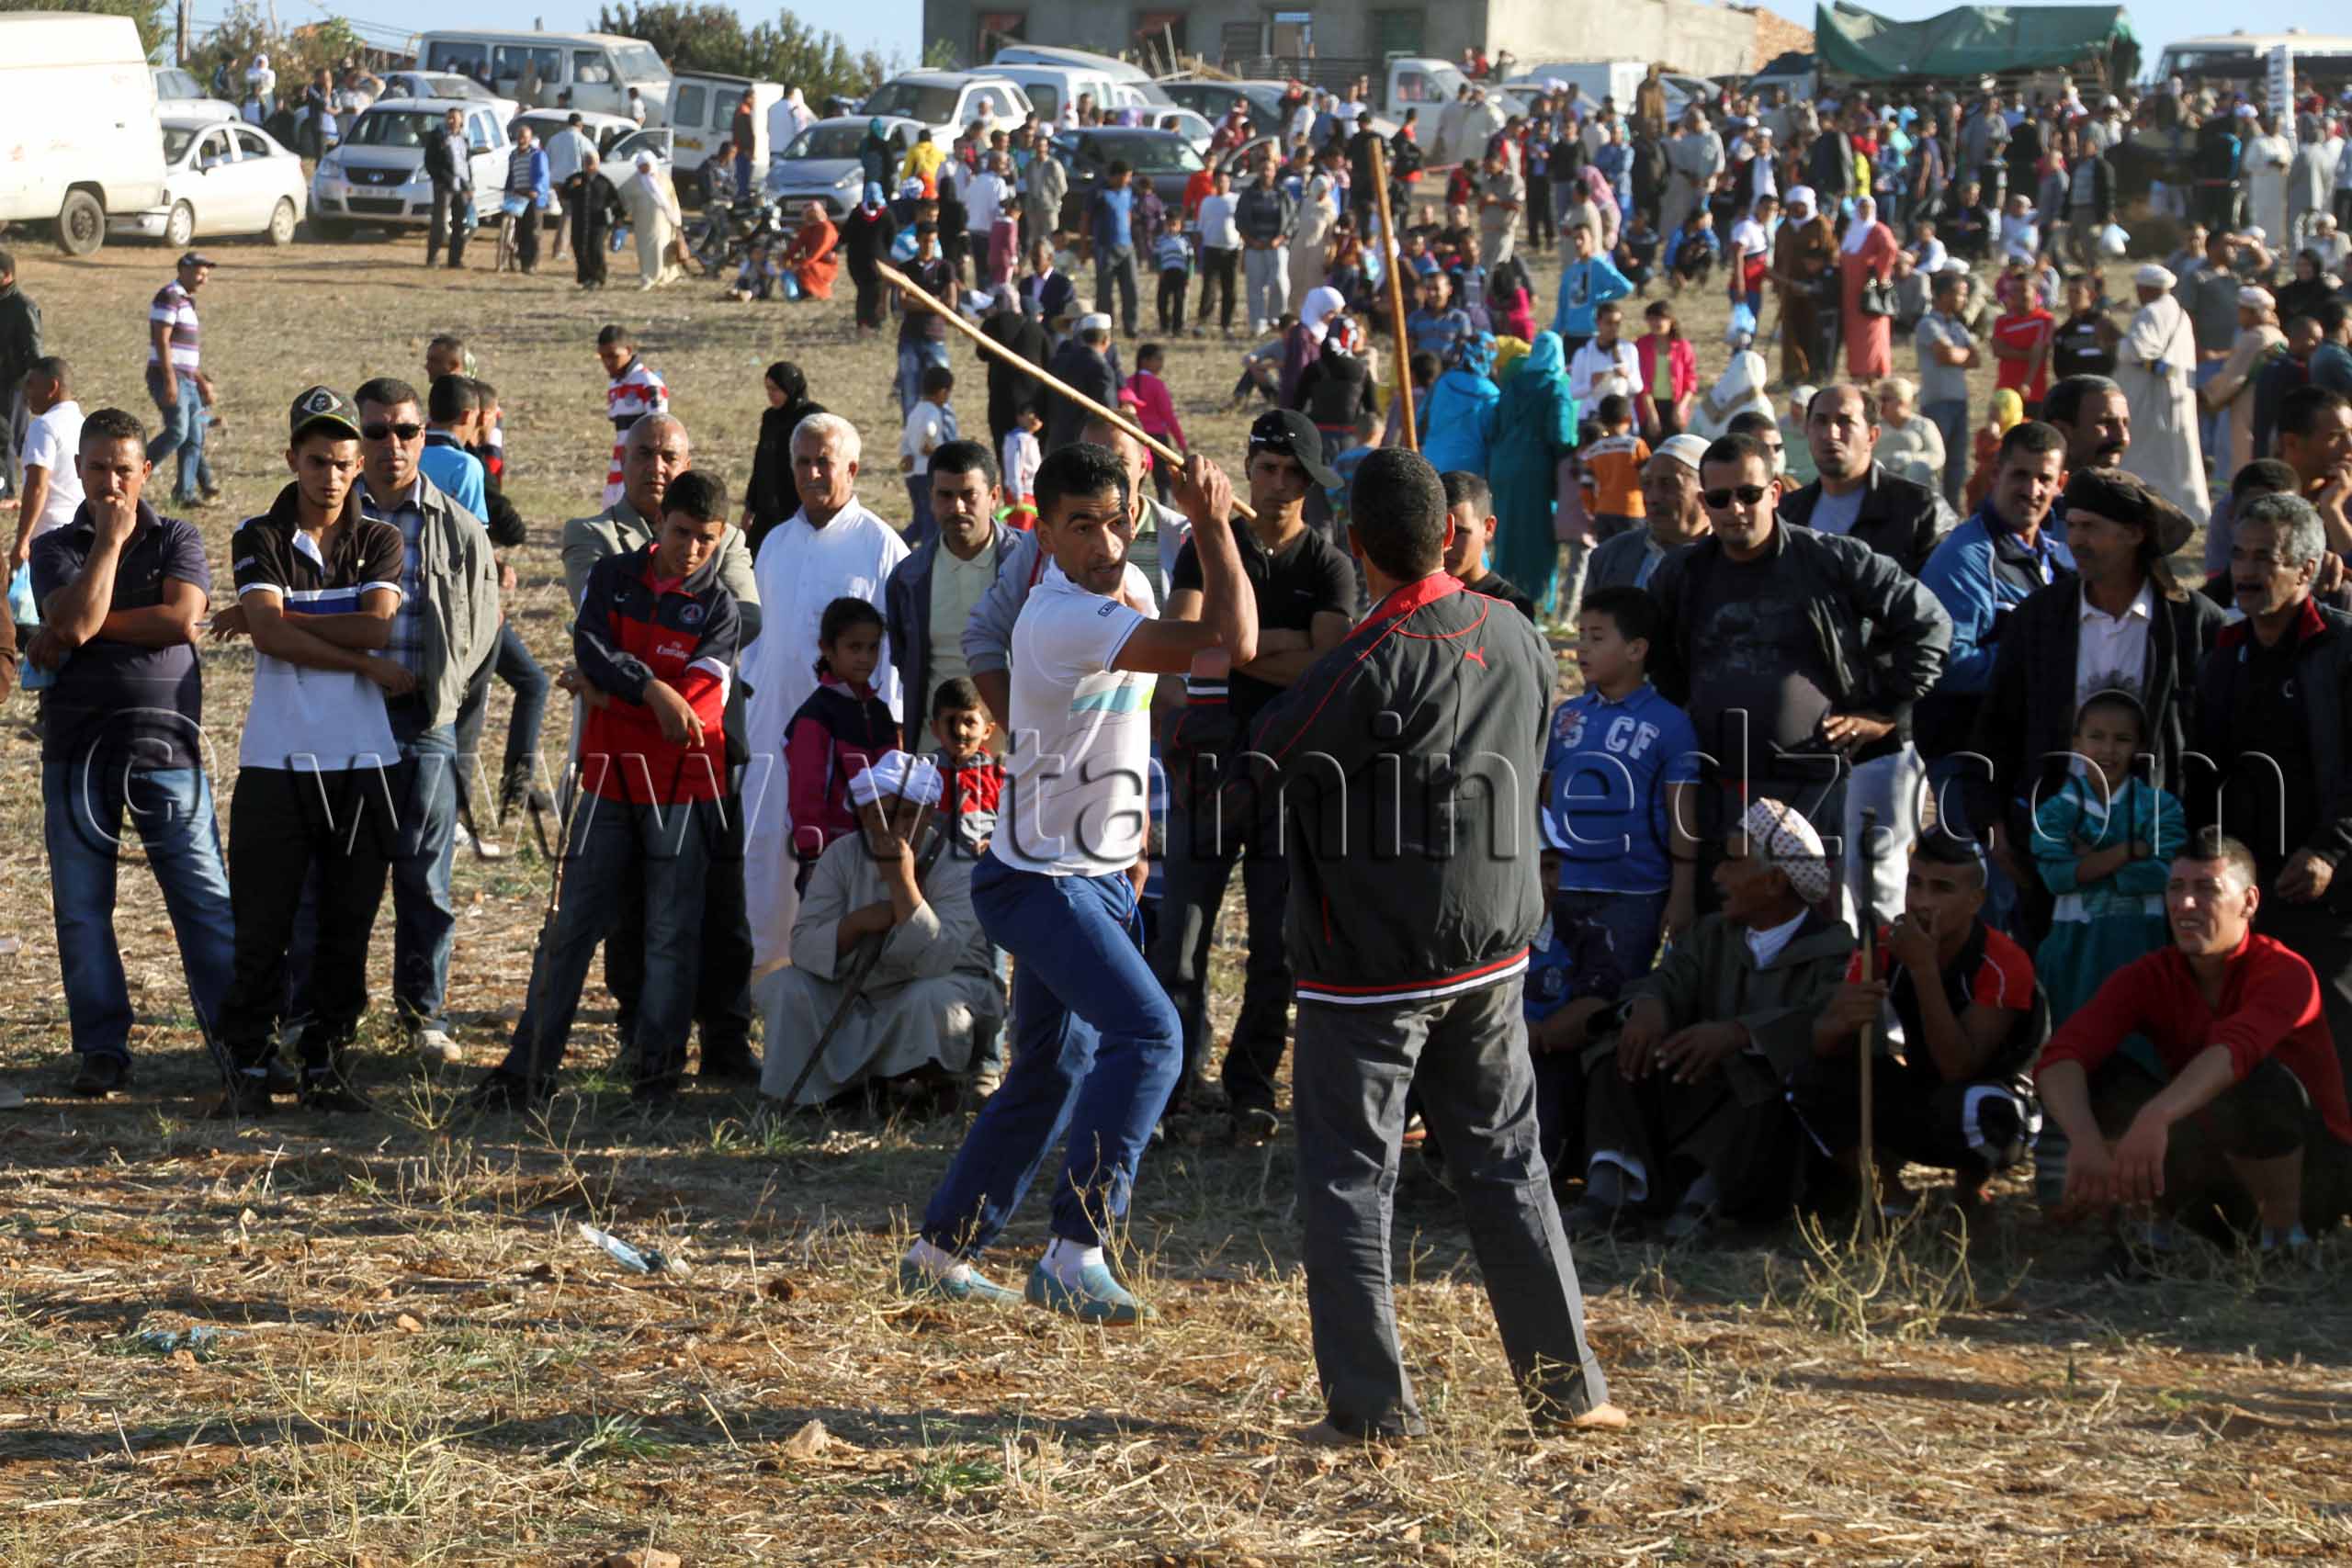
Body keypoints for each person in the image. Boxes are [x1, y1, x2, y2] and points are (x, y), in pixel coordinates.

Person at [1218, 446, 1621, 1438]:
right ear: (1450, 534)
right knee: (1507, 1167)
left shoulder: (1356, 664)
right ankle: (1570, 1396)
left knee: (1351, 1185)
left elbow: (1262, 765)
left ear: (1354, 548)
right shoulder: (1520, 632)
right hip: (1492, 952)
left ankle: (1368, 1412)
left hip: (1371, 968)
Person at [899, 445, 1254, 1324]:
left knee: (1054, 1068)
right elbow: (1236, 643)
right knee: (1152, 1036)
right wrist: (1211, 524)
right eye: (1080, 525)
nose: (1103, 540)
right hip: (1040, 880)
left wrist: (1129, 835)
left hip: (1095, 872)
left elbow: (1145, 705)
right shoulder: (1062, 616)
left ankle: (939, 1250)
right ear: (1045, 536)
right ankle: (1075, 1246)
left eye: (1116, 519)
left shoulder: (1125, 591)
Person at [474, 471, 743, 1111]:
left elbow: (694, 718)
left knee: (671, 934)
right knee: (570, 929)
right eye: (682, 533)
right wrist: (651, 687)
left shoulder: (721, 610)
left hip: (681, 791)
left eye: (708, 539)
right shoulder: (614, 579)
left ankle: (656, 1079)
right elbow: (589, 648)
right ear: (661, 525)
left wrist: (606, 695)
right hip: (606, 781)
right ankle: (528, 1069)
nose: (693, 550)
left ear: (724, 536)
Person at [209, 389, 413, 1118]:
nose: (331, 476)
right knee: (262, 923)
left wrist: (278, 615)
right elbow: (282, 638)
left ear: (359, 467)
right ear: (292, 457)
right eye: (318, 459)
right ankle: (252, 1064)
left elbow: (378, 628)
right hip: (277, 759)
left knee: (346, 924)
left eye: (344, 463)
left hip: (363, 762)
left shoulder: (380, 538)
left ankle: (325, 1059)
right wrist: (354, 655)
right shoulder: (256, 532)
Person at [1153, 411, 1352, 1134]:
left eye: (1292, 472)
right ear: (1246, 466)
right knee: (1181, 935)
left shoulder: (1327, 563)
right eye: (1265, 468)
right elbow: (1183, 646)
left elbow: (1329, 662)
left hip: (1288, 769)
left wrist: (1234, 642)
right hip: (1206, 762)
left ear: (1310, 481)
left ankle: (1252, 1087)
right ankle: (1171, 1082)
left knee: (1274, 940)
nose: (1275, 485)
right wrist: (1276, 645)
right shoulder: (1205, 544)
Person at [25, 408, 229, 1096]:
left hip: (166, 744)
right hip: (76, 750)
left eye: (124, 467)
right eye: (97, 467)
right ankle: (102, 1048)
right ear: (78, 471)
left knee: (201, 896)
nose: (111, 481)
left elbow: (181, 619)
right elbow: (74, 619)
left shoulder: (178, 535)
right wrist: (107, 548)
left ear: (147, 470)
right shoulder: (53, 546)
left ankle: (239, 1041)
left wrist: (80, 628)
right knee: (82, 906)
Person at [1645, 434, 1951, 883]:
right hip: (1715, 783)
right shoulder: (1680, 573)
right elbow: (1655, 653)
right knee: (1720, 918)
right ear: (1704, 502)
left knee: (1806, 919)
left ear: (1774, 494)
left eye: (1749, 495)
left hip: (1811, 785)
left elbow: (1929, 623)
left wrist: (1885, 710)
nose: (1735, 509)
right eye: (1719, 498)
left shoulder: (1830, 560)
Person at [2036, 831, 2352, 1258]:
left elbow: (2234, 1053)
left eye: (2207, 890)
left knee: (2253, 1082)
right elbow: (2062, 1055)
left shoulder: (2285, 972)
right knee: (2108, 1077)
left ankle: (2285, 1242)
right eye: (2176, 888)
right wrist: (2085, 1138)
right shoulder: (2150, 974)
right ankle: (2151, 1234)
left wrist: (2156, 1114)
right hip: (2216, 1171)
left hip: (2314, 1182)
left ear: (2249, 903)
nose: (2185, 905)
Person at [560, 413, 761, 1082]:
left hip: (704, 753)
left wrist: (624, 681)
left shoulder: (715, 530)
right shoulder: (595, 539)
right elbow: (591, 630)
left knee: (715, 907)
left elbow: (742, 616)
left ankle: (722, 1039)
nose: (657, 465)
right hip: (618, 760)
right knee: (627, 908)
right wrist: (652, 686)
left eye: (670, 453)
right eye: (644, 452)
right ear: (626, 458)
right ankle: (638, 1037)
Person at [1571, 796, 1856, 1239]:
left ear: (1775, 881)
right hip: (1697, 1091)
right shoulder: (1711, 934)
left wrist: (1739, 1034)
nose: (1718, 875)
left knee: (1767, 1089)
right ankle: (1611, 1193)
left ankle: (1707, 1203)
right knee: (1620, 1053)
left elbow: (1823, 1026)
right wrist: (1649, 1005)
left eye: (1733, 863)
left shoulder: (1836, 951)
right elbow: (1671, 977)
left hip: (1759, 1122)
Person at [1967, 468, 2223, 931]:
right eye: (2073, 526)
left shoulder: (2192, 625)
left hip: (2156, 848)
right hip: (2055, 844)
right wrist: (1993, 821)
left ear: (2133, 535)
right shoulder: (2041, 618)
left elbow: (2214, 737)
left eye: (2092, 528)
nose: (2076, 540)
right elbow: (1999, 723)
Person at [2190, 491, 2352, 1086]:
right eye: (2239, 555)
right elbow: (2204, 769)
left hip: (2326, 899)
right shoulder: (2222, 655)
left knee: (2333, 1056)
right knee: (2248, 1062)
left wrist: (2330, 851)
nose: (2248, 572)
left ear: (2307, 570)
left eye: (2266, 557)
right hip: (2242, 895)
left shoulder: (2341, 650)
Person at [1796, 831, 2044, 1213]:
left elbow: (1959, 1067)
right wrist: (1840, 1021)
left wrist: (1923, 970)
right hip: (1921, 1093)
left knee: (1977, 1107)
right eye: (1915, 883)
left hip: (1991, 1108)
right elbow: (1822, 1046)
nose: (1921, 902)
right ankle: (1889, 1195)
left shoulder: (2004, 960)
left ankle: (1970, 1193)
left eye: (1942, 889)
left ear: (1976, 901)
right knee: (1807, 1081)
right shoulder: (1882, 944)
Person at [741, 413, 907, 976]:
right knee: (767, 852)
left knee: (839, 860)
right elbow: (759, 648)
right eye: (802, 462)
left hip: (849, 746)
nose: (812, 473)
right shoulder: (774, 545)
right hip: (773, 731)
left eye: (824, 462)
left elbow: (892, 661)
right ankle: (767, 972)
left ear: (852, 469)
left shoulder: (882, 547)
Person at [759, 747, 1003, 1108]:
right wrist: (856, 924)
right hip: (854, 993)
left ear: (929, 814)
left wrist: (903, 886)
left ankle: (924, 1091)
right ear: (864, 814)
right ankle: (828, 1093)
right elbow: (804, 948)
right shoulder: (840, 856)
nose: (896, 828)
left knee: (933, 1000)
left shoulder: (957, 867)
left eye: (908, 815)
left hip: (927, 991)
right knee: (785, 985)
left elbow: (937, 960)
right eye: (883, 815)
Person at [1915, 420, 2073, 761]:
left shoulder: (2060, 556)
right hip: (1972, 761)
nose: (2031, 490)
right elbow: (1947, 665)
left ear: (2060, 483)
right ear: (1996, 472)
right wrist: (2041, 656)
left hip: (2031, 758)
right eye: (2020, 475)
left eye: (2044, 479)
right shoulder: (1967, 557)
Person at [2032, 689, 2185, 1027]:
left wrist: (2088, 866)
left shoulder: (2162, 807)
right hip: (2074, 949)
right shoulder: (2055, 811)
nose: (2108, 750)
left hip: (2140, 943)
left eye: (2122, 739)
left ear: (2141, 746)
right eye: (2096, 737)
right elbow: (2056, 878)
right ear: (2076, 742)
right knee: (2071, 1041)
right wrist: (2130, 850)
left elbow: (2165, 873)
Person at [885, 439, 1019, 728]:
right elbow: (904, 661)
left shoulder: (1031, 567)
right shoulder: (908, 580)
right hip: (934, 756)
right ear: (931, 498)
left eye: (969, 495)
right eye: (945, 495)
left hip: (1014, 755)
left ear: (994, 496)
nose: (957, 507)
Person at [783, 597, 899, 879]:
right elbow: (806, 792)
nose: (865, 658)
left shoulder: (882, 712)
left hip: (879, 854)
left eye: (873, 648)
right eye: (854, 647)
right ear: (827, 649)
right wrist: (813, 856)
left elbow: (895, 782)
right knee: (829, 925)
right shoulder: (815, 715)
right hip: (829, 859)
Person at [1483, 331, 1576, 612]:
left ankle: (1500, 592)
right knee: (1536, 538)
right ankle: (1533, 599)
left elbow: (1495, 426)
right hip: (1535, 470)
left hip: (1501, 465)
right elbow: (1559, 434)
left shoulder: (1513, 383)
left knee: (1506, 533)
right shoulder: (1556, 386)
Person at [2116, 264, 2211, 526]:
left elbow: (2134, 349)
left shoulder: (2150, 312)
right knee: (2178, 457)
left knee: (2144, 457)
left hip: (2151, 399)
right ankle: (2187, 508)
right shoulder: (2179, 313)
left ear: (2146, 289)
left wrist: (2114, 340)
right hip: (2176, 398)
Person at [1586, 434, 1711, 593]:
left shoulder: (1732, 560)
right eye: (1646, 484)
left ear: (1706, 492)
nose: (1652, 498)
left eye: (1667, 484)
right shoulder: (1608, 558)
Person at [145, 252, 218, 510]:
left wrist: (200, 380)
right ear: (182, 270)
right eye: (199, 273)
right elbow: (161, 340)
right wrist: (169, 380)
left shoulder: (187, 302)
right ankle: (136, 471)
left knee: (194, 435)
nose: (203, 280)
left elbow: (184, 352)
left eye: (206, 275)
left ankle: (184, 493)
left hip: (186, 376)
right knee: (177, 432)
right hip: (169, 375)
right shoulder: (169, 296)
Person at [2201, 287, 2285, 485]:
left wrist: (2205, 394)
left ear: (2251, 312)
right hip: (2269, 403)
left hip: (2248, 404)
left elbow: (2232, 377)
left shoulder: (2255, 337)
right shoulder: (2276, 333)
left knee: (2239, 456)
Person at [742, 362, 823, 560]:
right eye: (768, 389)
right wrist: (750, 506)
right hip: (768, 505)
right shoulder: (770, 418)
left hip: (797, 503)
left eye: (776, 389)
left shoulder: (812, 417)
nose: (771, 395)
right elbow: (761, 461)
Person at [10, 357, 83, 572]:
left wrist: (22, 540)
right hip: (81, 535)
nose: (26, 392)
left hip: (48, 539)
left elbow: (37, 486)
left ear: (52, 387)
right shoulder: (84, 424)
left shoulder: (44, 426)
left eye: (31, 384)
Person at [1913, 269, 1979, 507]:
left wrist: (1957, 354)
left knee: (1957, 464)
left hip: (1959, 401)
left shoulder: (1958, 327)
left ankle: (1952, 509)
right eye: (1959, 294)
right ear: (1943, 295)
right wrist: (1961, 354)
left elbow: (1977, 358)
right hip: (1937, 402)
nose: (1963, 299)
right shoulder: (1928, 324)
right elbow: (1945, 354)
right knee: (1936, 463)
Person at [1440, 470, 1536, 620]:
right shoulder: (1415, 597)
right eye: (1440, 531)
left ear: (1488, 528)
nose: (1447, 543)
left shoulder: (1511, 607)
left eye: (1459, 532)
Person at [1770, 186, 1838, 388]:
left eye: (1800, 206)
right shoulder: (1784, 228)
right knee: (1790, 330)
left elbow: (1831, 254)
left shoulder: (1820, 225)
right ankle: (1792, 372)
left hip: (1813, 290)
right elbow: (1778, 257)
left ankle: (1813, 371)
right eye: (1792, 206)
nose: (1796, 210)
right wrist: (1777, 281)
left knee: (1812, 329)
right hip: (1788, 288)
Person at [596, 324, 667, 510]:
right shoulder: (615, 385)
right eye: (603, 357)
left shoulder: (648, 384)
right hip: (620, 465)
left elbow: (659, 430)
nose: (608, 363)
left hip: (639, 468)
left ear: (628, 350)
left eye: (613, 356)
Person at [1419, 333, 1500, 486]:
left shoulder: (1443, 381)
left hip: (1432, 461)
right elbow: (1493, 438)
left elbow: (1421, 417)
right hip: (1469, 471)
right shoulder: (1491, 395)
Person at [897, 364, 957, 554]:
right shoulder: (932, 412)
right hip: (926, 472)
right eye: (947, 393)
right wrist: (930, 445)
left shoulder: (915, 411)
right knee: (931, 518)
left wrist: (907, 455)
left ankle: (900, 544)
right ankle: (928, 553)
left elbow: (906, 441)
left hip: (913, 472)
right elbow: (930, 430)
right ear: (941, 392)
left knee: (920, 517)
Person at [1838, 196, 1900, 379]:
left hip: (1869, 293)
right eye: (1861, 207)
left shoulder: (1878, 230)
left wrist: (1879, 275)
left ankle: (1874, 370)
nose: (1864, 211)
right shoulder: (1853, 230)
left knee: (1872, 332)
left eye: (1868, 207)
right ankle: (1857, 370)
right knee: (1855, 334)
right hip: (1850, 293)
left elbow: (1890, 249)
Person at [1551, 221, 1633, 355]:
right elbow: (1562, 308)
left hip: (1592, 335)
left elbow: (1625, 287)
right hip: (1570, 337)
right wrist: (1552, 336)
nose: (1578, 243)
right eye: (1575, 239)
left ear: (1592, 241)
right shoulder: (1569, 272)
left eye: (1582, 238)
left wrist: (1601, 298)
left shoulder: (1598, 265)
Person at [1236, 158, 1296, 334]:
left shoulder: (1282, 193)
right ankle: (1258, 324)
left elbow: (1293, 219)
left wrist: (1281, 238)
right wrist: (1250, 240)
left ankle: (1276, 320)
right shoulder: (1248, 194)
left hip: (1277, 245)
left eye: (1269, 169)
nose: (1265, 173)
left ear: (1274, 171)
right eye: (1262, 169)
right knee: (1255, 286)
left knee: (1280, 282)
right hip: (1254, 246)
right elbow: (1239, 220)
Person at [1043, 314, 1118, 455]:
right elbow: (1109, 414)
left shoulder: (1059, 362)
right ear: (1106, 340)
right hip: (1087, 448)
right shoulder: (1102, 369)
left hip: (1056, 444)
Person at [1990, 273, 2057, 416]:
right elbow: (1998, 350)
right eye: (2014, 290)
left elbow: (2040, 353)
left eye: (2023, 290)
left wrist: (2027, 382)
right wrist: (2028, 354)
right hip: (2005, 391)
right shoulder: (2002, 321)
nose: (2017, 295)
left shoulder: (2044, 319)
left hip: (2032, 392)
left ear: (2035, 292)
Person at [1636, 299, 1697, 438]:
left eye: (1661, 319)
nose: (1657, 323)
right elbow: (1641, 382)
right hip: (1648, 407)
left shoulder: (1683, 346)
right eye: (1652, 319)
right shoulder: (1641, 345)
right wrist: (1652, 415)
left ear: (1671, 320)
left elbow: (1691, 381)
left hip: (1675, 407)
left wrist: (1681, 407)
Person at [564, 151, 625, 289]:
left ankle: (598, 278)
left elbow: (615, 201)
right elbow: (565, 194)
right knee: (580, 249)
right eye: (587, 161)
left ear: (597, 163)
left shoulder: (604, 181)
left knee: (596, 249)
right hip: (580, 221)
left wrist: (619, 218)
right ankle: (585, 278)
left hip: (599, 223)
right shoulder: (576, 178)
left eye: (592, 161)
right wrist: (572, 186)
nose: (590, 164)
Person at [1872, 377, 1946, 492]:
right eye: (1879, 399)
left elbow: (1937, 456)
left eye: (1885, 399)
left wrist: (1909, 458)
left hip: (1915, 483)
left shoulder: (1923, 425)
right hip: (1882, 483)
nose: (1880, 404)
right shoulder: (1874, 427)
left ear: (1902, 402)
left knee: (1917, 470)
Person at [622, 152, 684, 289]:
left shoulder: (663, 179)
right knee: (646, 251)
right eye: (641, 166)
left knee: (663, 248)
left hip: (663, 223)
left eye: (646, 166)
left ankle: (665, 276)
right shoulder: (633, 182)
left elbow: (672, 199)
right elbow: (625, 202)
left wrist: (676, 219)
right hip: (643, 223)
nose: (644, 169)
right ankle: (648, 277)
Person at [423, 107, 473, 270]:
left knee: (460, 223)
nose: (451, 121)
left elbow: (466, 163)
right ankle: (432, 258)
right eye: (448, 118)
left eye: (454, 118)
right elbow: (429, 161)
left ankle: (455, 259)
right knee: (439, 222)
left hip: (462, 185)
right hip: (444, 185)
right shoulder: (438, 136)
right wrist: (440, 178)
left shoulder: (464, 138)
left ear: (461, 121)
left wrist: (470, 185)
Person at [843, 185, 898, 333]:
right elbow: (891, 239)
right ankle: (875, 322)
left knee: (863, 292)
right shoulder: (887, 214)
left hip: (857, 261)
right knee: (877, 291)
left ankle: (863, 323)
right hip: (879, 261)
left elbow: (845, 236)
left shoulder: (856, 213)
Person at [502, 124, 551, 275]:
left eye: (524, 137)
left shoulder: (537, 155)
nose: (521, 140)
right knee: (520, 232)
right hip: (518, 196)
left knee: (533, 232)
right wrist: (508, 191)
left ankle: (531, 264)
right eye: (519, 137)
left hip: (533, 198)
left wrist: (536, 190)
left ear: (530, 139)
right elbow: (511, 176)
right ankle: (522, 261)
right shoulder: (513, 155)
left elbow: (543, 175)